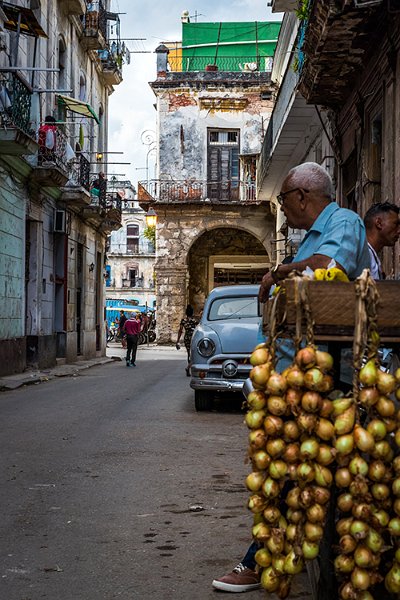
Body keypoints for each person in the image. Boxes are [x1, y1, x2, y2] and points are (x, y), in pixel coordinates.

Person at [212, 162, 371, 593]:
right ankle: (283, 553)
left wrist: (280, 271)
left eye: (283, 200)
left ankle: (256, 561)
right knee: (288, 472)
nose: (284, 209)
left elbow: (328, 267)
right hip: (291, 377)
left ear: (303, 195)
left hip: (319, 381)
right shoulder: (314, 233)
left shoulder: (344, 222)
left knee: (287, 473)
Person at [364, 202, 400, 279]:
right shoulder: (362, 254)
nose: (398, 231)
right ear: (379, 223)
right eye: (395, 224)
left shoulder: (372, 255)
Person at [176, 304, 198, 376]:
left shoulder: (183, 320)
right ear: (192, 312)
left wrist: (177, 341)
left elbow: (180, 331)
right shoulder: (195, 321)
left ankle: (189, 368)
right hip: (193, 337)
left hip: (186, 338)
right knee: (194, 354)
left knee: (189, 354)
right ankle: (189, 367)